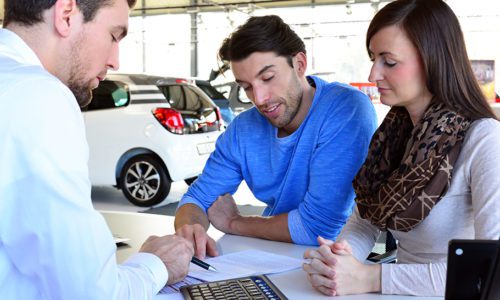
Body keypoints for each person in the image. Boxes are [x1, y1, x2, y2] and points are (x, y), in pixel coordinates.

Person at [303, 0, 500, 296]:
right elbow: (366, 222)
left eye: (389, 62)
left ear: (433, 60)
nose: (373, 75)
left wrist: (371, 278)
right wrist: (339, 260)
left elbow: (489, 268)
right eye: (373, 58)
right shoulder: (394, 133)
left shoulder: (484, 138)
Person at [0, 0, 194, 299]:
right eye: (114, 36)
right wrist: (158, 264)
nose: (115, 60)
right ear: (66, 14)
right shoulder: (38, 94)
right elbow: (92, 293)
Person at [175, 15, 377, 258]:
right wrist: (191, 231)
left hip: (333, 263)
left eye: (268, 78)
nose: (259, 98)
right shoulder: (243, 129)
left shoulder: (345, 108)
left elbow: (319, 227)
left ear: (300, 64)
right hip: (271, 255)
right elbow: (197, 198)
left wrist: (234, 223)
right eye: (246, 87)